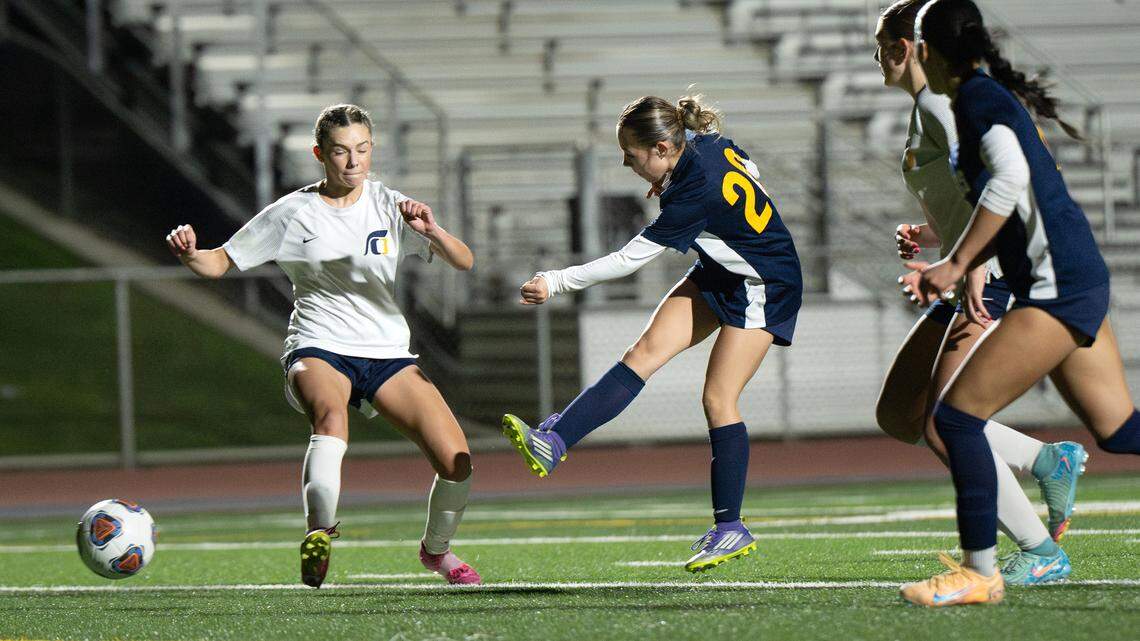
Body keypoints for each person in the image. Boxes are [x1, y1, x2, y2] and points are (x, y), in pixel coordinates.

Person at [164, 104, 482, 587]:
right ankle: (319, 532)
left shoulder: (389, 205)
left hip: (387, 354)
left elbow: (463, 261)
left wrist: (432, 230)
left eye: (362, 150)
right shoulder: (293, 212)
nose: (353, 162)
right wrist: (190, 253)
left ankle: (436, 552)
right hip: (317, 345)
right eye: (341, 151)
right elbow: (219, 262)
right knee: (331, 418)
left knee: (457, 461)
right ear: (320, 154)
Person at [899, 0, 1140, 606]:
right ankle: (998, 561)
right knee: (1118, 430)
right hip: (1072, 272)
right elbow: (1008, 189)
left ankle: (981, 573)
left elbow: (1007, 181)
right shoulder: (979, 95)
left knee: (954, 421)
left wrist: (958, 263)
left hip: (1056, 282)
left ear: (924, 50)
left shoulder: (973, 103)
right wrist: (948, 245)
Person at [502, 93, 803, 573]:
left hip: (764, 282)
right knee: (642, 352)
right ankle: (554, 442)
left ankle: (731, 528)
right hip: (724, 270)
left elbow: (626, 261)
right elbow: (747, 165)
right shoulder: (703, 143)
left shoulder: (692, 194)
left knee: (718, 399)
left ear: (663, 147)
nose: (625, 161)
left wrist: (554, 281)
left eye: (631, 154)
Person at [871, 0, 1082, 587]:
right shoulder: (928, 107)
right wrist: (935, 233)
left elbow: (1012, 187)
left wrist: (972, 264)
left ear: (908, 48)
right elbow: (971, 193)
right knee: (900, 413)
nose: (877, 59)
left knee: (944, 422)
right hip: (969, 269)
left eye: (883, 46)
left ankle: (1040, 551)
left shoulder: (941, 103)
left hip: (995, 275)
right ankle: (1046, 460)